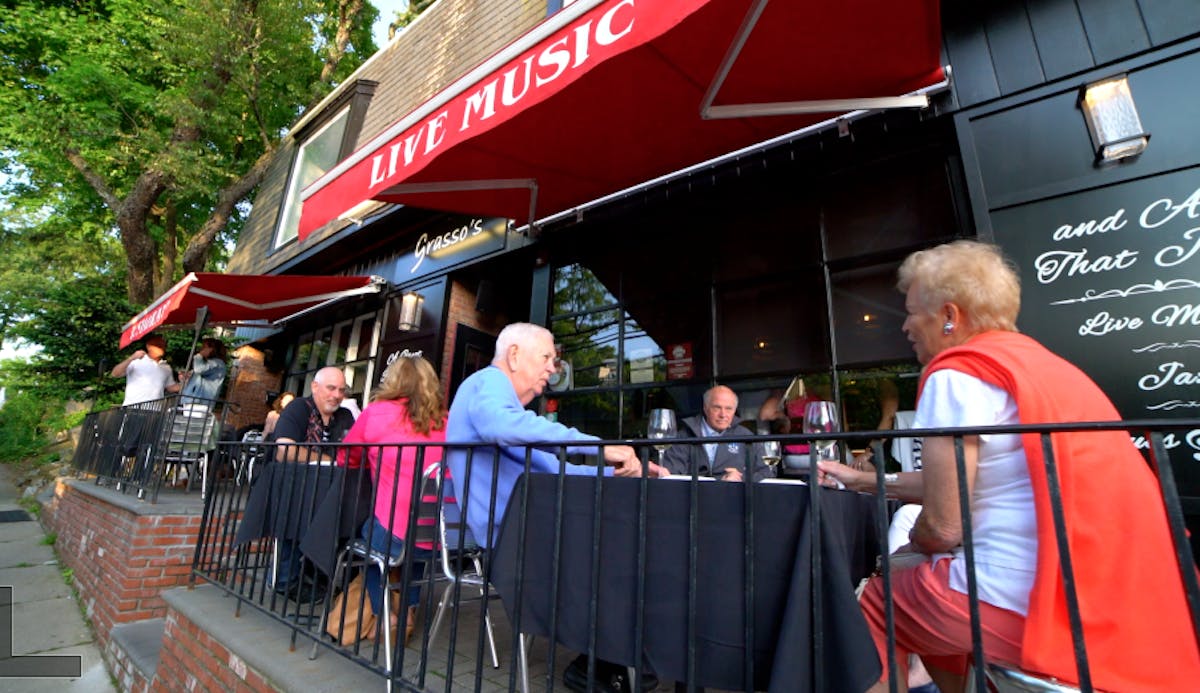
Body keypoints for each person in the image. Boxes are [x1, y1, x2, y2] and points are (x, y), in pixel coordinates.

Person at [819, 240, 1200, 692]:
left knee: (875, 603)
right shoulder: (1042, 367)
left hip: (1033, 600)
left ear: (949, 315)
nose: (904, 325)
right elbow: (973, 482)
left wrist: (904, 554)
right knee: (919, 586)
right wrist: (861, 480)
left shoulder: (953, 375)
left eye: (910, 311)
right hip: (1117, 595)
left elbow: (943, 526)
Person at [446, 322, 648, 548]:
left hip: (529, 530)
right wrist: (596, 446)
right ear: (514, 355)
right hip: (516, 539)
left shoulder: (509, 414)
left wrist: (621, 474)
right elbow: (500, 425)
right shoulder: (489, 381)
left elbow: (559, 471)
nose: (552, 369)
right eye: (546, 357)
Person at [339, 356, 445, 645]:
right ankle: (409, 610)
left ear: (393, 381)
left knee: (370, 538)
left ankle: (387, 613)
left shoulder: (376, 413)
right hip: (441, 541)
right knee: (414, 542)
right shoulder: (445, 420)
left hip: (393, 536)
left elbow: (346, 456)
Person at [271, 366, 356, 601]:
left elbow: (354, 451)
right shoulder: (299, 408)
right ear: (315, 387)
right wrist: (331, 461)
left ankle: (317, 578)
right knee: (298, 515)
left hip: (330, 490)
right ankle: (286, 580)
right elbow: (284, 450)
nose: (337, 395)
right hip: (294, 486)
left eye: (341, 390)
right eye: (331, 388)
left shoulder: (345, 416)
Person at [659, 385, 774, 482]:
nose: (723, 414)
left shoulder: (746, 436)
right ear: (705, 408)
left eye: (728, 409)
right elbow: (672, 475)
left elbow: (767, 473)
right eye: (717, 408)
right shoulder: (684, 436)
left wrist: (741, 479)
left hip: (733, 500)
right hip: (694, 501)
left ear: (735, 410)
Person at [111, 334, 177, 406]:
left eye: (163, 345)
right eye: (158, 345)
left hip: (155, 410)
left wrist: (186, 381)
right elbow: (115, 374)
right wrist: (131, 358)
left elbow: (171, 387)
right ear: (148, 346)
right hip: (133, 408)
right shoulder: (137, 361)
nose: (162, 347)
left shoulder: (166, 367)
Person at [178, 337, 228, 406]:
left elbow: (199, 369)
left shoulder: (217, 363)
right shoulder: (209, 363)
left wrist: (199, 355)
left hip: (200, 402)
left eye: (204, 347)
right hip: (193, 400)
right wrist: (188, 375)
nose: (201, 349)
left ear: (211, 349)